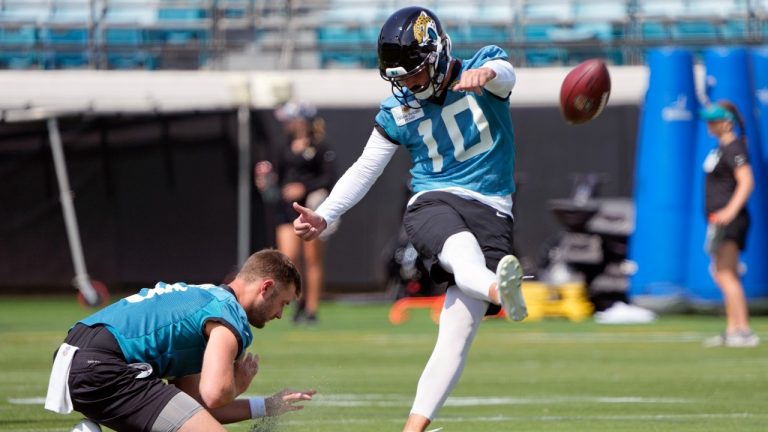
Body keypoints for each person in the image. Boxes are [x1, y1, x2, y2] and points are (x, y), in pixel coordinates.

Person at [291, 7, 526, 431]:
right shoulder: (397, 109)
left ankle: (412, 428)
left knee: (457, 332)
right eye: (401, 77)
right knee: (461, 252)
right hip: (434, 199)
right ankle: (499, 289)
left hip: (493, 209)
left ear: (437, 53)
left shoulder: (482, 69)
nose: (409, 84)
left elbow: (506, 74)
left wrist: (488, 74)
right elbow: (366, 168)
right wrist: (325, 215)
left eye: (415, 73)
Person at [45, 249, 316, 432]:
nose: (280, 314)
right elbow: (215, 394)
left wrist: (267, 406)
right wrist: (236, 385)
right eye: (283, 303)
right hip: (102, 365)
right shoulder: (229, 315)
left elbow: (194, 407)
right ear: (266, 287)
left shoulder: (205, 299)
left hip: (76, 358)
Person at [256, 101, 337, 325]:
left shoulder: (320, 148)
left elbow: (329, 178)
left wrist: (304, 188)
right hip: (287, 209)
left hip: (312, 209)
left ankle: (312, 309)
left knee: (312, 259)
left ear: (301, 121)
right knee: (288, 258)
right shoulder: (283, 147)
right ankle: (296, 301)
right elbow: (276, 178)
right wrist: (267, 183)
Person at [699, 101, 759, 348]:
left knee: (725, 274)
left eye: (713, 120)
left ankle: (742, 330)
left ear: (727, 123)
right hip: (719, 220)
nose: (709, 125)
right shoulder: (720, 149)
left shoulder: (735, 147)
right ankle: (732, 329)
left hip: (730, 220)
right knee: (723, 273)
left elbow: (746, 181)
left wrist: (729, 211)